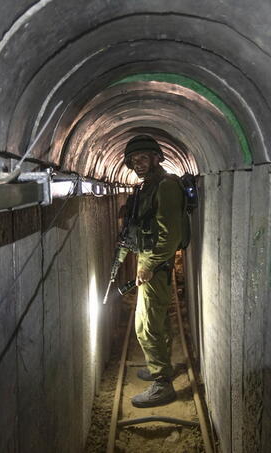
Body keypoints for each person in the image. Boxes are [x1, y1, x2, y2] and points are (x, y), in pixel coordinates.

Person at [117, 134, 187, 408]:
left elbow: (170, 236)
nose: (138, 164)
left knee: (145, 326)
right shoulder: (150, 186)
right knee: (157, 320)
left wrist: (148, 264)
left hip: (156, 263)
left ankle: (162, 384)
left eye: (143, 158)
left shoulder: (166, 186)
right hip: (150, 260)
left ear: (157, 158)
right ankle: (162, 368)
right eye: (133, 160)